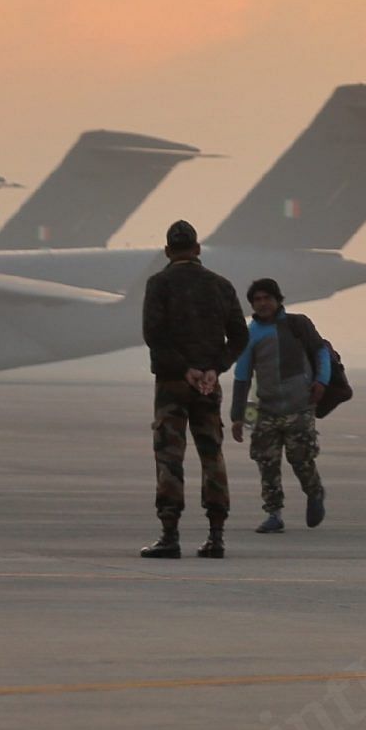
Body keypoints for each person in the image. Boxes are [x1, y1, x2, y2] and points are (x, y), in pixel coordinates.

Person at [138, 221, 248, 558]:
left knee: (170, 458)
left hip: (173, 383)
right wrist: (214, 369)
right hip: (208, 386)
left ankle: (170, 535)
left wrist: (184, 370)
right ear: (197, 249)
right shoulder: (220, 286)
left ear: (168, 251)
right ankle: (216, 535)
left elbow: (153, 335)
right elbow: (240, 337)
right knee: (212, 454)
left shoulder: (160, 284)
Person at [227, 277, 330, 534]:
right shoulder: (250, 334)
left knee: (301, 459)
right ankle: (274, 513)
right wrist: (237, 416)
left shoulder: (298, 324)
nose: (262, 304)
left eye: (267, 298)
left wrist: (321, 382)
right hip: (266, 410)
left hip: (299, 407)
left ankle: (314, 492)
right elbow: (242, 375)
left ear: (278, 300)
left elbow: (321, 352)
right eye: (257, 300)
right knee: (267, 462)